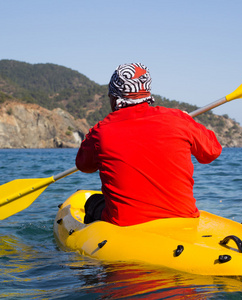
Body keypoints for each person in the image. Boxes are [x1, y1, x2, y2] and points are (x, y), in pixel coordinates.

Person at [75, 63, 222, 226]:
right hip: (182, 217)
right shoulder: (178, 119)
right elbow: (212, 152)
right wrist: (189, 121)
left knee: (93, 202)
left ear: (115, 97)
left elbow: (84, 166)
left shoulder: (100, 131)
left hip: (125, 223)